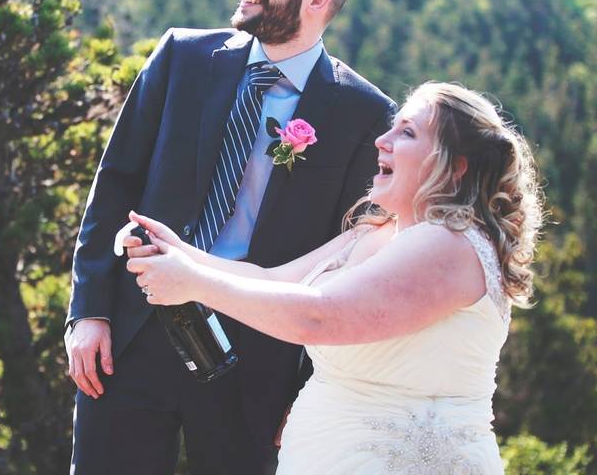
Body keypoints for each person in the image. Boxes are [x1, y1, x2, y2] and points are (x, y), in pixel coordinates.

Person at [66, 0, 395, 474]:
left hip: (258, 360)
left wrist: (312, 388)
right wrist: (89, 312)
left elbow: (350, 259)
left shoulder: (363, 114)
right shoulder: (182, 57)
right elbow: (116, 182)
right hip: (131, 333)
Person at [123, 82, 545, 474]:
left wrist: (192, 282)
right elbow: (272, 280)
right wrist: (177, 251)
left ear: (456, 167)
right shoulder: (374, 231)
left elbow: (319, 318)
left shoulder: (451, 243)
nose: (382, 141)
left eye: (408, 133)